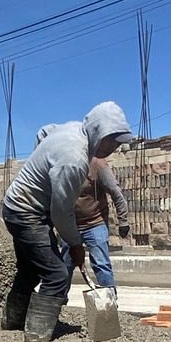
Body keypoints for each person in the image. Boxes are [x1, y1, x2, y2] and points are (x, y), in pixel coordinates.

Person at [0, 102, 135, 342]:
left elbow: (44, 130)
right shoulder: (74, 158)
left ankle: (13, 321)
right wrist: (75, 244)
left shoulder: (73, 129)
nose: (115, 147)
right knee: (57, 274)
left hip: (17, 206)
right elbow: (61, 211)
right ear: (99, 132)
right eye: (112, 140)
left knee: (30, 270)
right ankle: (37, 335)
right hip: (25, 212)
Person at [36, 122, 133, 289]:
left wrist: (123, 220)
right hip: (70, 227)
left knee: (101, 264)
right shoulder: (55, 167)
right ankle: (55, 304)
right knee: (64, 268)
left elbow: (115, 191)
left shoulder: (96, 162)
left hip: (95, 223)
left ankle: (109, 303)